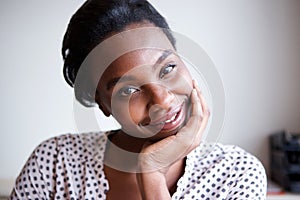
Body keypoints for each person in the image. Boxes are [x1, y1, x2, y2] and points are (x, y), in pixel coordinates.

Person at [9, 0, 267, 199]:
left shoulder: (236, 174)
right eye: (129, 90)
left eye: (168, 68)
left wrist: (152, 175)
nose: (162, 100)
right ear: (103, 103)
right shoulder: (54, 164)